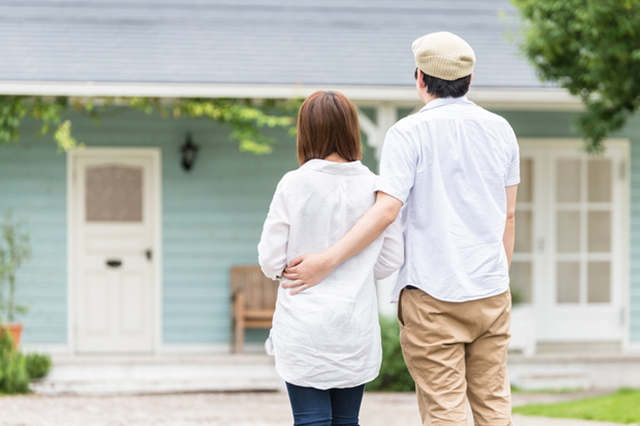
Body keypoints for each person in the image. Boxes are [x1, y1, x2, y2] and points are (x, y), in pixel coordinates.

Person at [281, 32, 519, 426]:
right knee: (494, 405)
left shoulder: (408, 132)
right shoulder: (501, 130)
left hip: (432, 293)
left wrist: (326, 260)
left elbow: (387, 210)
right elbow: (508, 216)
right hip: (491, 291)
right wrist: (495, 277)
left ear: (420, 79)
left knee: (446, 410)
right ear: (470, 81)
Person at [257, 90, 404, 426]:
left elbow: (269, 260)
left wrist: (292, 269)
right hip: (354, 326)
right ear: (352, 130)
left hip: (303, 325)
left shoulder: (293, 184)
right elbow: (392, 257)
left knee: (310, 420)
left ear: (306, 132)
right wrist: (359, 267)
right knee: (347, 421)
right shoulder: (376, 187)